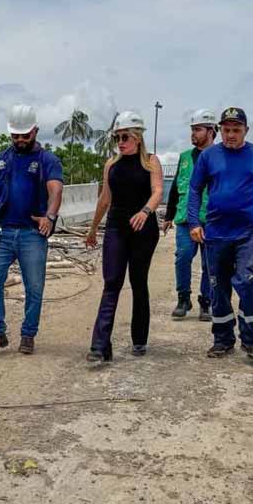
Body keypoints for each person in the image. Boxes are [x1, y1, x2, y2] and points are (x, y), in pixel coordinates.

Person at [0, 105, 64, 357]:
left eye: (25, 135)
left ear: (35, 131)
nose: (20, 140)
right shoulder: (0, 160)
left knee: (34, 287)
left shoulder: (47, 160)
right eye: (15, 135)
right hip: (2, 233)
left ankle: (28, 334)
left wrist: (50, 217)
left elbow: (56, 189)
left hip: (32, 234)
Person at [187, 107, 253, 361]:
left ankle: (250, 338)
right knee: (218, 288)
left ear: (246, 130)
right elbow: (194, 190)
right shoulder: (208, 157)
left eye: (236, 130)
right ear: (220, 131)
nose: (231, 135)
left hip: (249, 233)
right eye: (226, 130)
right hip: (216, 233)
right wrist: (194, 222)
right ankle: (223, 339)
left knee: (248, 282)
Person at [85, 111, 165, 363]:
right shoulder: (111, 165)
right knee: (112, 283)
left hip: (144, 230)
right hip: (116, 228)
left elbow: (158, 191)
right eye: (117, 137)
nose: (120, 141)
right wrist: (93, 228)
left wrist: (145, 211)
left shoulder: (151, 162)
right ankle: (100, 346)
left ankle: (139, 338)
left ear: (138, 138)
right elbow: (104, 199)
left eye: (125, 136)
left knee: (138, 282)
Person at [163, 109, 218, 322]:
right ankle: (183, 298)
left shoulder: (219, 155)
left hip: (212, 219)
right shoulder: (185, 157)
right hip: (186, 218)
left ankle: (206, 302)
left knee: (209, 263)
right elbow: (177, 186)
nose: (193, 134)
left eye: (198, 130)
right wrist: (169, 215)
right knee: (183, 257)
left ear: (211, 131)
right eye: (192, 130)